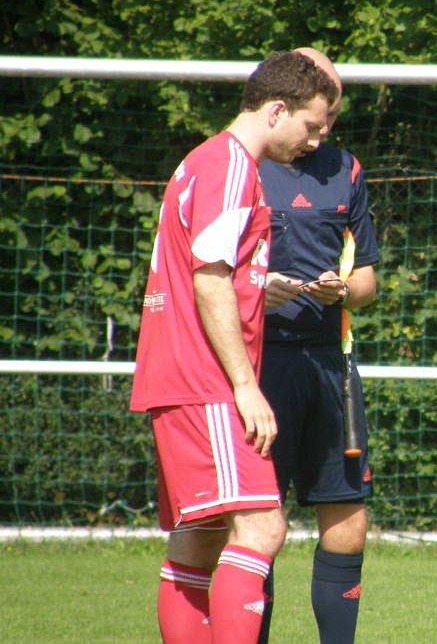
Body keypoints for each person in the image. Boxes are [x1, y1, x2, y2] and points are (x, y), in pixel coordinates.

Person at [130, 51, 341, 644]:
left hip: (176, 375)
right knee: (262, 529)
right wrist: (246, 387)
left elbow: (205, 268)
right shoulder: (231, 166)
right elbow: (208, 278)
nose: (317, 140)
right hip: (207, 383)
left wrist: (254, 288)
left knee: (198, 541)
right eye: (312, 126)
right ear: (276, 111)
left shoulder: (203, 159)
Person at [255, 48, 380, 644]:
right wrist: (256, 292)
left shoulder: (346, 170)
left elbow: (369, 280)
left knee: (349, 523)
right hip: (259, 369)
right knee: (256, 529)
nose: (324, 130)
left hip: (332, 367)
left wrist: (343, 290)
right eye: (317, 117)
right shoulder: (243, 164)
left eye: (332, 117)